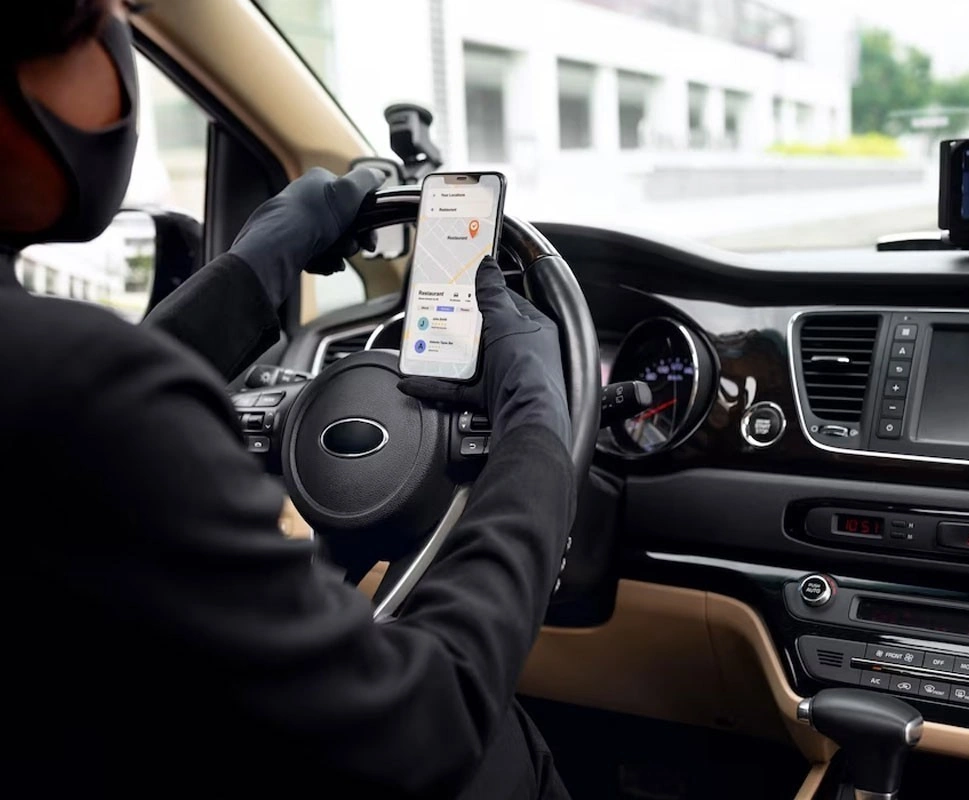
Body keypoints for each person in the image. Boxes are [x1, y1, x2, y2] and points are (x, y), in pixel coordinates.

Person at [0, 3, 574, 797]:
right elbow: (426, 722)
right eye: (99, 16)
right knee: (501, 749)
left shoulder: (56, 385)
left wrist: (258, 264)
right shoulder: (80, 394)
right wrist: (537, 427)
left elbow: (76, 427)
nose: (115, 47)